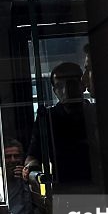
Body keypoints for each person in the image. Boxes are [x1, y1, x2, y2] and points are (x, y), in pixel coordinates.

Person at [25, 61, 97, 191]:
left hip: (99, 187)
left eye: (71, 83)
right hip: (66, 190)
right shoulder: (47, 118)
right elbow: (33, 155)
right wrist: (33, 169)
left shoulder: (96, 112)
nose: (66, 90)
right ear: (54, 91)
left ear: (82, 84)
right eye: (60, 86)